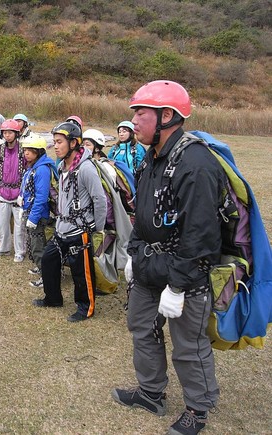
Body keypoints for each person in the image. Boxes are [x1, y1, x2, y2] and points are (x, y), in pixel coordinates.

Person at [111, 80, 224, 435]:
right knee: (142, 329)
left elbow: (201, 235)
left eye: (141, 113)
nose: (134, 121)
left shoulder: (196, 164)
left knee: (188, 344)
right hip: (147, 265)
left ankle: (198, 410)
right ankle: (151, 393)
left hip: (185, 273)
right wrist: (133, 256)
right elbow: (142, 215)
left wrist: (177, 286)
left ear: (168, 115)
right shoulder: (152, 157)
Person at [33, 122, 107, 322]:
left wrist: (97, 229)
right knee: (49, 261)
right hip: (62, 228)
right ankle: (53, 298)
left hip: (80, 230)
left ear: (73, 143)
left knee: (81, 273)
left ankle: (86, 308)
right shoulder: (61, 165)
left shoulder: (86, 168)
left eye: (59, 142)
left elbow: (99, 199)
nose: (55, 146)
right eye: (54, 142)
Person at [19, 133, 57, 288]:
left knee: (38, 246)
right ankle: (40, 267)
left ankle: (45, 276)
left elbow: (41, 196)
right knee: (33, 243)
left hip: (38, 214)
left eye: (31, 150)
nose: (26, 153)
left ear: (39, 151)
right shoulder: (33, 166)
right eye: (25, 149)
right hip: (30, 210)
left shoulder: (41, 169)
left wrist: (33, 218)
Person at [0, 119, 27, 262]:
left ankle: (20, 252)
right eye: (5, 132)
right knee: (1, 223)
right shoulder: (0, 151)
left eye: (10, 132)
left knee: (19, 226)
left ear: (16, 134)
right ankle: (3, 249)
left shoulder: (23, 150)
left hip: (18, 193)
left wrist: (24, 193)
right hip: (3, 192)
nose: (7, 135)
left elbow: (28, 171)